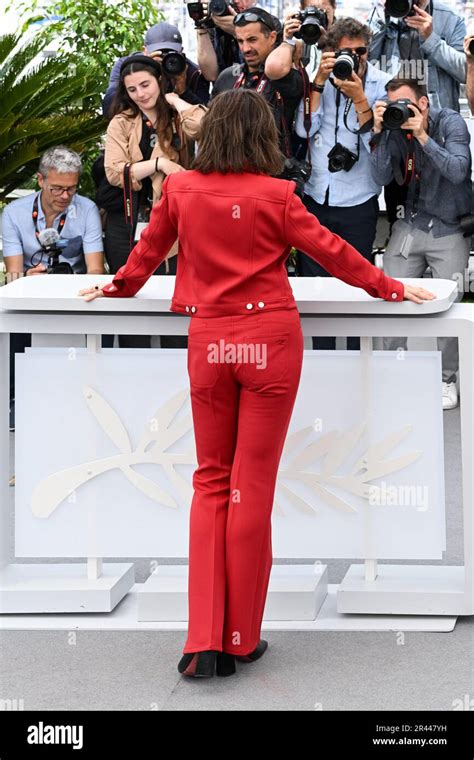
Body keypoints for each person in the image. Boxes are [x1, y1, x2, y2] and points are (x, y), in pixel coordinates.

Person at [78, 89, 435, 679]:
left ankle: (202, 642)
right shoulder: (278, 196)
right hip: (268, 343)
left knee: (210, 483)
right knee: (251, 488)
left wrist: (112, 287)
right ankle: (241, 637)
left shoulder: (182, 191)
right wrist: (391, 287)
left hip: (210, 345)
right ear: (263, 137)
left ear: (210, 133)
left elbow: (144, 257)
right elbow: (336, 252)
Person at [370, 77, 471, 410]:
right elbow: (380, 177)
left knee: (448, 307)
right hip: (410, 225)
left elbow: (458, 170)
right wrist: (379, 134)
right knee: (391, 297)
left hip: (449, 227)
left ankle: (446, 378)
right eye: (392, 106)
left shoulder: (450, 122)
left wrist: (423, 136)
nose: (398, 112)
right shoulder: (394, 130)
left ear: (423, 103)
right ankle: (390, 371)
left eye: (404, 105)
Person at [294, 17, 393, 351]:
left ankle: (352, 354)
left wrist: (361, 98)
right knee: (315, 285)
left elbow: (379, 147)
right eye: (345, 52)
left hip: (359, 199)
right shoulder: (320, 79)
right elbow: (303, 131)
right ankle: (318, 354)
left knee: (356, 282)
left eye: (360, 51)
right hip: (317, 195)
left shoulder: (381, 85)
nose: (354, 58)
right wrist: (319, 83)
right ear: (331, 53)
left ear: (368, 51)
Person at [103, 54, 206, 348]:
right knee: (131, 306)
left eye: (146, 85)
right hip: (130, 220)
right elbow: (114, 172)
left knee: (176, 303)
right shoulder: (121, 123)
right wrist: (158, 164)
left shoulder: (176, 115)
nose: (140, 94)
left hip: (177, 223)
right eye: (132, 89)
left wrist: (176, 100)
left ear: (159, 80)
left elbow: (207, 126)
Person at [2, 145, 104, 431]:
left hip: (76, 292)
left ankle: (92, 394)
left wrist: (66, 283)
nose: (65, 197)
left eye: (71, 189)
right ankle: (15, 399)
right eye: (57, 188)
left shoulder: (86, 209)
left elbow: (95, 270)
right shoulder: (14, 212)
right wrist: (26, 277)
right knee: (14, 317)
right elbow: (12, 274)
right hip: (29, 291)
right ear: (41, 180)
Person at [211, 7, 304, 157]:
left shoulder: (286, 79)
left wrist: (288, 42)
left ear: (272, 37)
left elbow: (276, 67)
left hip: (270, 172)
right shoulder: (227, 77)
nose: (246, 48)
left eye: (252, 40)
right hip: (230, 167)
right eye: (240, 41)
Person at [102, 22, 210, 119]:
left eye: (171, 53)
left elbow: (205, 118)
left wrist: (183, 90)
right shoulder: (127, 66)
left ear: (181, 52)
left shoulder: (193, 72)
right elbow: (109, 109)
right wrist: (145, 70)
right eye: (159, 53)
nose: (165, 59)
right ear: (145, 51)